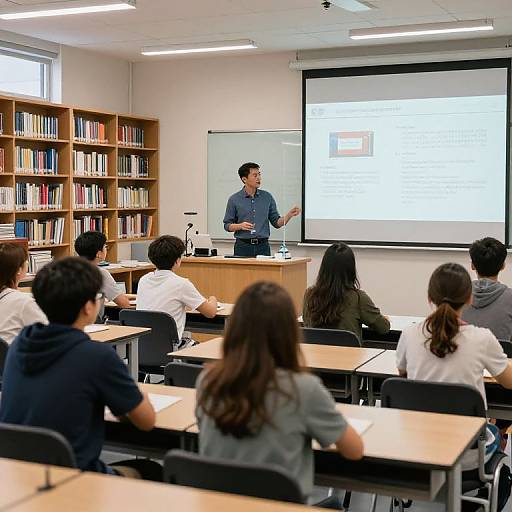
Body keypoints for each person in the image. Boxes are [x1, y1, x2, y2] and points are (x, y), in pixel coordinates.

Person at [196, 281, 363, 503]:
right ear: (290, 333)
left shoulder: (208, 381)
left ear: (235, 327)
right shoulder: (303, 389)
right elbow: (354, 450)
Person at [0, 257, 158, 478]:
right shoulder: (96, 356)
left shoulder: (20, 345)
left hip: (20, 474)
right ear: (87, 307)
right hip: (75, 478)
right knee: (152, 470)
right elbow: (146, 421)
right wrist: (137, 392)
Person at [396, 263, 512, 470]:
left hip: (416, 446)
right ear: (470, 298)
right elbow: (509, 382)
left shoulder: (409, 334)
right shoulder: (481, 338)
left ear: (430, 298)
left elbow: (403, 376)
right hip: (468, 455)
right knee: (495, 431)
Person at [137, 235, 217, 349]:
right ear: (177, 260)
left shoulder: (143, 279)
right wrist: (213, 298)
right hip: (171, 348)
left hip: (142, 347)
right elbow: (211, 312)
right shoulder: (181, 284)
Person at [302, 242, 390, 341]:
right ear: (351, 269)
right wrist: (383, 319)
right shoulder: (359, 298)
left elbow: (307, 325)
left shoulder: (309, 295)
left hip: (315, 355)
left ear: (323, 268)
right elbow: (383, 328)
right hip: (350, 356)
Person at [223, 162, 300, 257]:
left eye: (259, 174)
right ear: (244, 179)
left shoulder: (267, 197)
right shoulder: (234, 199)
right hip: (242, 246)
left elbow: (277, 223)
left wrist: (289, 215)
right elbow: (227, 225)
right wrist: (240, 226)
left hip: (263, 246)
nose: (259, 178)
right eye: (255, 175)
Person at [462, 237, 512, 341]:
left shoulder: (457, 294)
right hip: (501, 356)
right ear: (503, 266)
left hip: (464, 355)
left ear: (472, 265)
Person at [74, 231, 130, 320]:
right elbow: (124, 304)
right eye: (105, 247)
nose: (106, 249)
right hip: (92, 323)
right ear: (98, 254)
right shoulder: (100, 274)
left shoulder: (69, 270)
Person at [0, 242, 47, 344]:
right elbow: (48, 333)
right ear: (19, 270)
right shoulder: (23, 302)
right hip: (15, 358)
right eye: (26, 261)